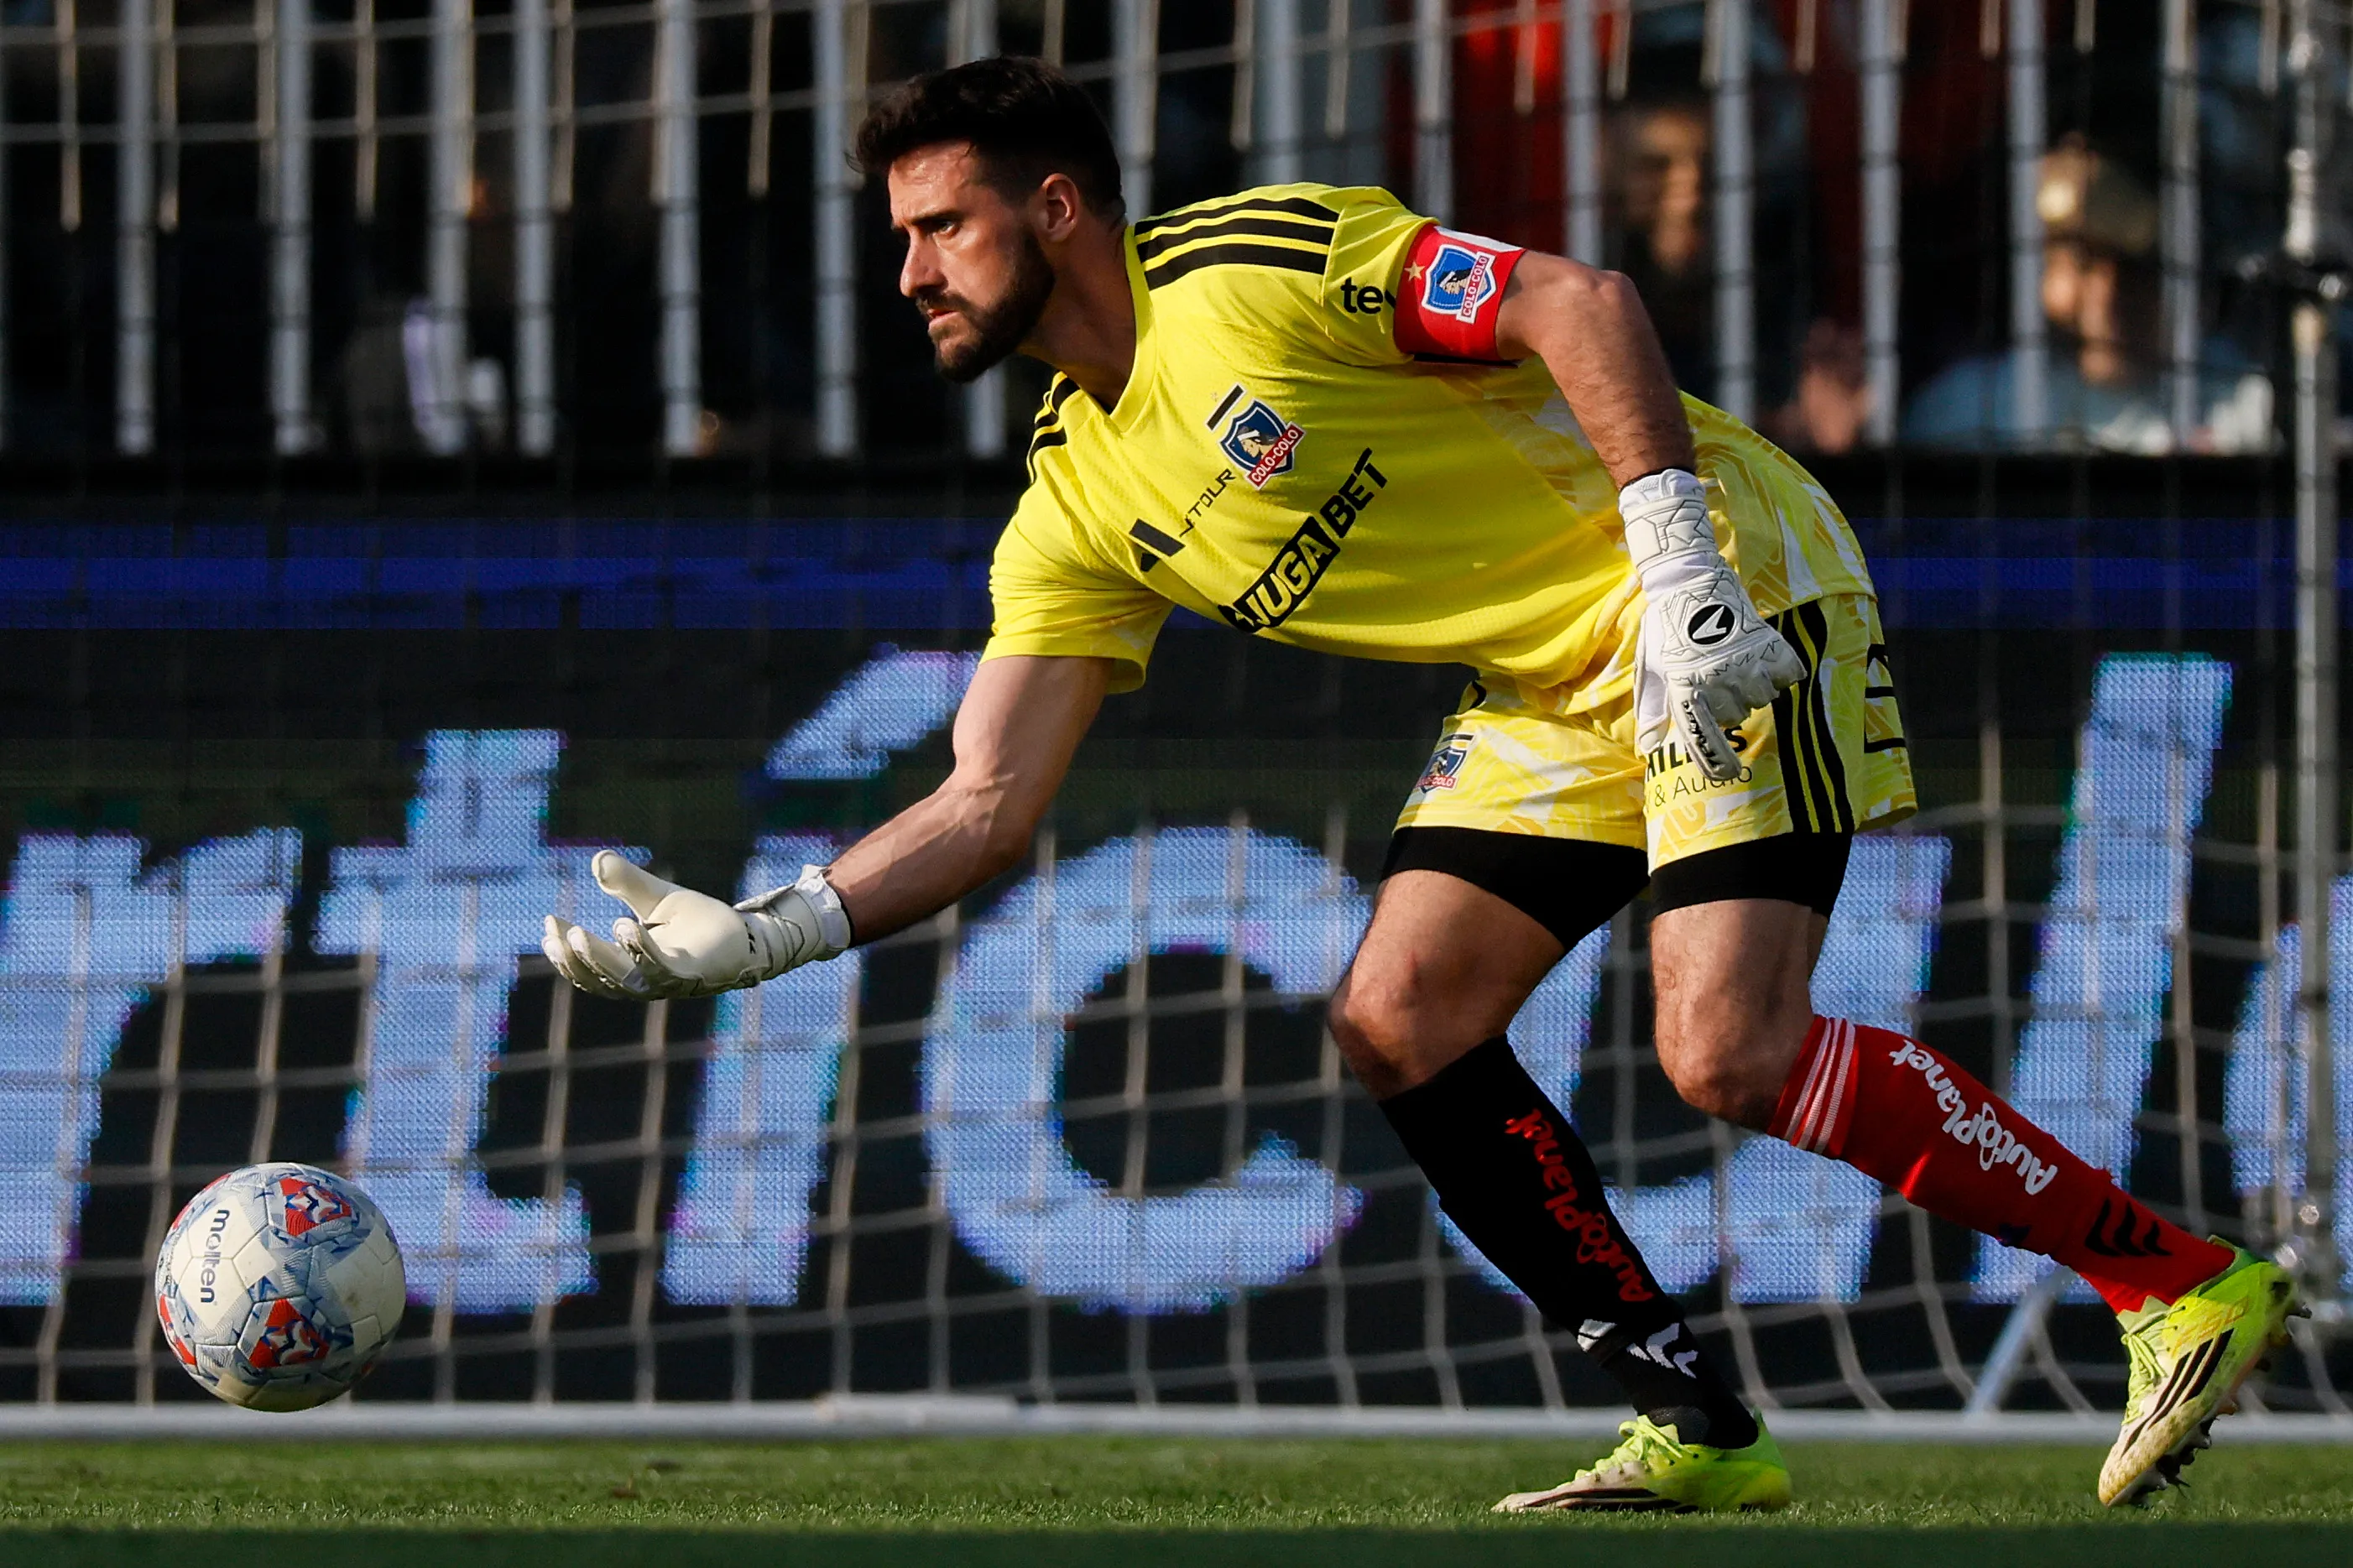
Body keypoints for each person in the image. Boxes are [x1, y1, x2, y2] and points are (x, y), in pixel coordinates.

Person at [539, 59, 2298, 1513]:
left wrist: (1677, 567)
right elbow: (986, 798)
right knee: (1397, 1013)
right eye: (901, 235)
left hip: (1718, 586)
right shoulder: (1073, 485)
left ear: (1055, 206)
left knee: (1724, 1051)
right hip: (1546, 685)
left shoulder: (1247, 269)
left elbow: (1577, 301)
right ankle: (1691, 1417)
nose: (910, 270)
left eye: (939, 225)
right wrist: (759, 938)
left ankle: (2170, 1275)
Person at [1904, 135, 2272, 454]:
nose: (2107, 299)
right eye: (2083, 265)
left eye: (2137, 271)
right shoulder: (1965, 410)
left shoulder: (2250, 411)